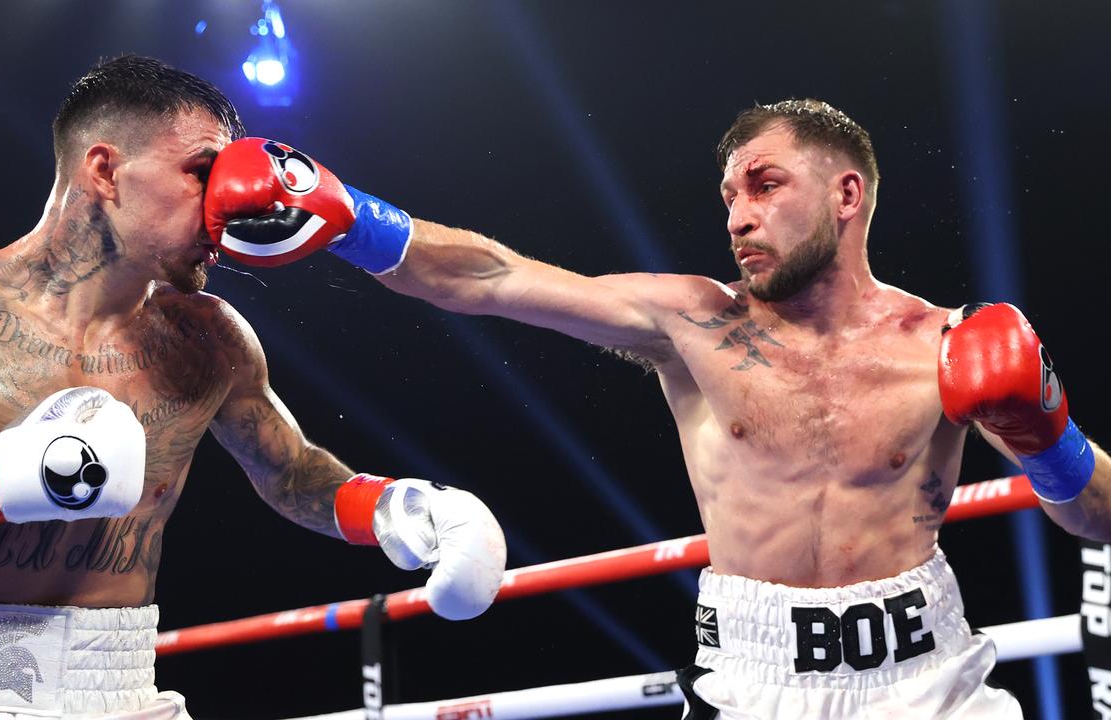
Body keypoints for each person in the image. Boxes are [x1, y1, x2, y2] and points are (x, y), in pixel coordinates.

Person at [203, 99, 1111, 718]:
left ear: (847, 196)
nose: (737, 216)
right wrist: (346, 213)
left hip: (932, 677)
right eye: (728, 197)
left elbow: (1095, 519)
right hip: (755, 680)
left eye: (764, 185)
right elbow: (494, 276)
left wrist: (1051, 436)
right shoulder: (696, 323)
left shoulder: (948, 344)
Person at [0, 55, 506, 720]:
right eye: (202, 173)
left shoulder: (208, 338)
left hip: (115, 680)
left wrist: (398, 508)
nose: (225, 207)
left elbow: (293, 474)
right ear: (104, 170)